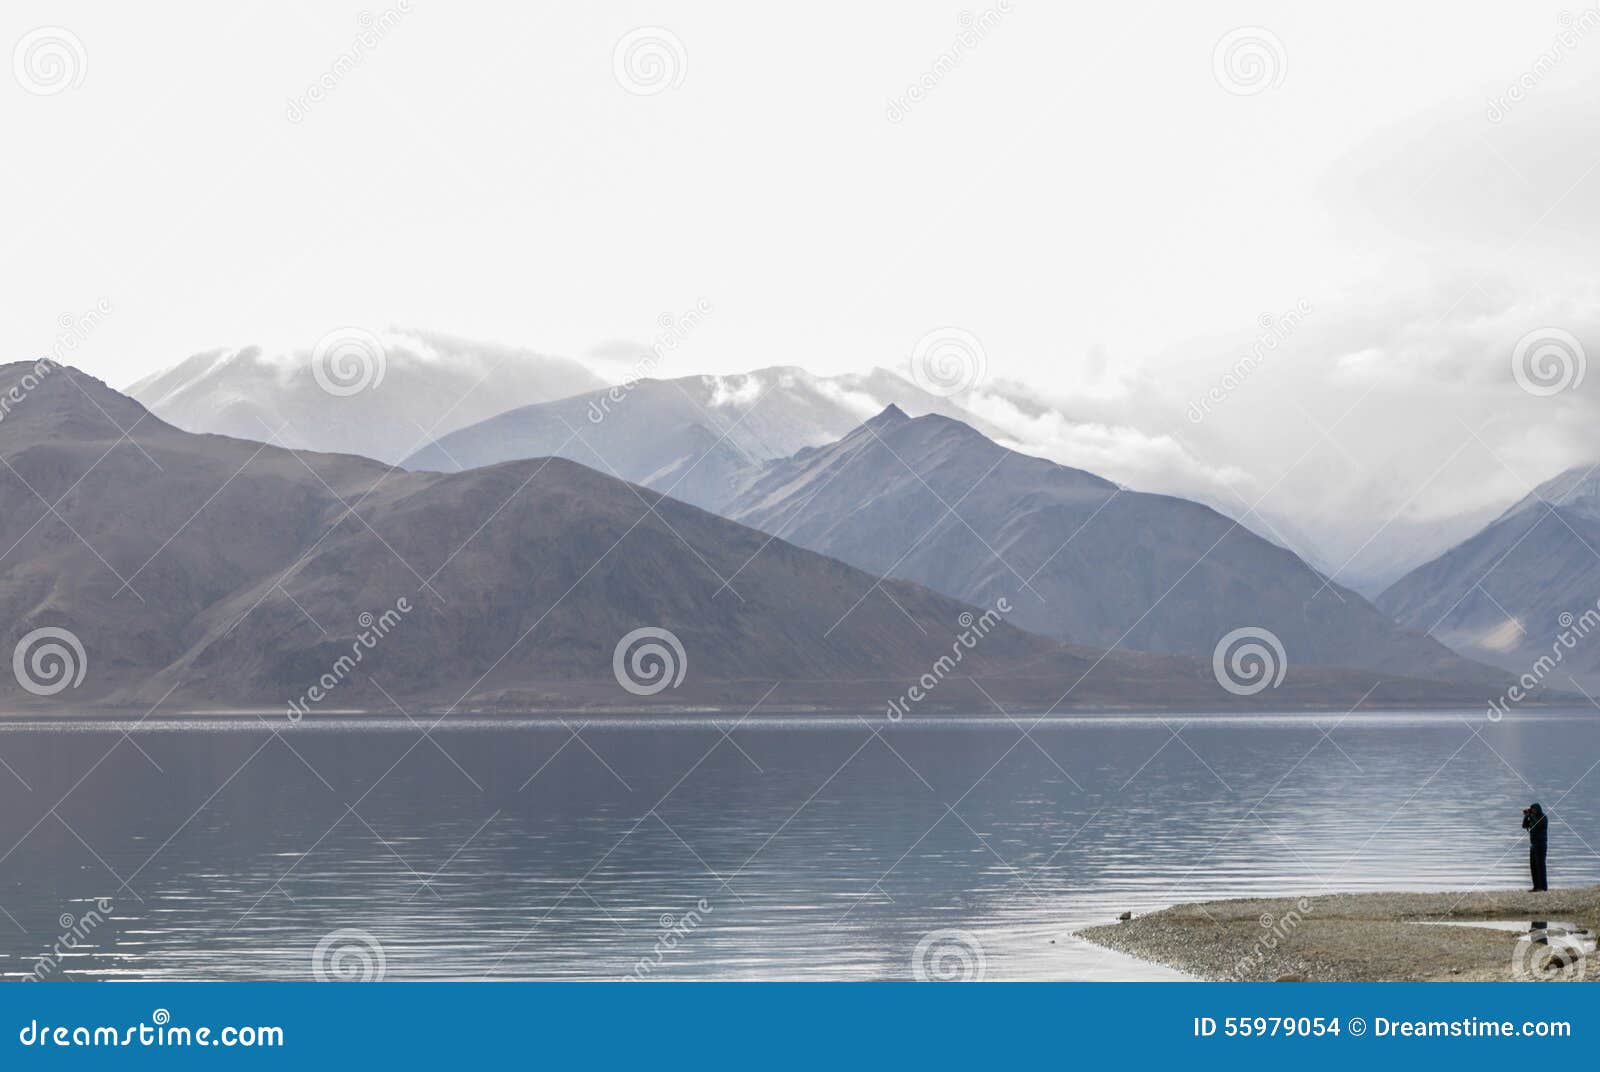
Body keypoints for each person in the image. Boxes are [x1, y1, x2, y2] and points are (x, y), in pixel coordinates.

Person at [1522, 802, 1548, 892]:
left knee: (1540, 866)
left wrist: (1530, 815)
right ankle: (1536, 886)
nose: (1532, 811)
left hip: (1541, 845)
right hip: (1533, 845)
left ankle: (1543, 887)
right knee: (1533, 866)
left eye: (1534, 809)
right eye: (1531, 809)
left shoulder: (1543, 818)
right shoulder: (1532, 818)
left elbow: (1538, 825)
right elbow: (1524, 825)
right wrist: (1526, 816)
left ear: (1538, 809)